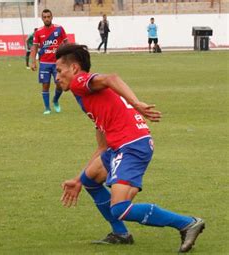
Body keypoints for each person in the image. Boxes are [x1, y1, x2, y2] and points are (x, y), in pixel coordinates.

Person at [55, 44, 205, 253]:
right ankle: (120, 234)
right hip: (123, 145)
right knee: (90, 180)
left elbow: (111, 78)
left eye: (60, 71)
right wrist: (78, 180)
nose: (56, 77)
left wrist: (136, 103)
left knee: (120, 208)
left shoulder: (81, 82)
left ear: (74, 68)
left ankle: (187, 223)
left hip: (131, 145)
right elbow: (102, 146)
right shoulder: (86, 98)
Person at [30, 9, 68, 115]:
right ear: (42, 18)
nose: (47, 19)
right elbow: (34, 47)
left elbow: (66, 42)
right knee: (45, 85)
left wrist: (67, 56)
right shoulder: (38, 32)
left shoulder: (59, 29)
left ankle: (55, 100)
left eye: (48, 17)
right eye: (44, 17)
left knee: (60, 84)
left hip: (58, 63)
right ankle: (47, 108)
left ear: (52, 17)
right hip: (44, 63)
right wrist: (33, 62)